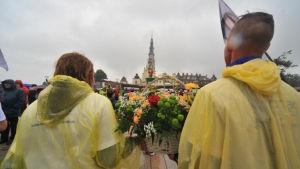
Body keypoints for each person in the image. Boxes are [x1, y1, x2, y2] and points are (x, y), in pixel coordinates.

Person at [178, 12, 300, 169]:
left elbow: (195, 157)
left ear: (230, 42)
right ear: (267, 46)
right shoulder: (293, 96)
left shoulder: (211, 95)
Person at [1, 52, 140, 169]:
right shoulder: (99, 104)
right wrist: (134, 141)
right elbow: (108, 159)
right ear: (89, 76)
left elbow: (15, 160)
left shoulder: (30, 111)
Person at [0, 79, 25, 145]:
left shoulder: (19, 91)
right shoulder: (2, 90)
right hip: (4, 111)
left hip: (14, 111)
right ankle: (4, 138)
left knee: (14, 126)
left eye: (8, 83)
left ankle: (12, 138)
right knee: (5, 125)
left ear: (12, 84)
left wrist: (14, 108)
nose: (6, 84)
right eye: (5, 83)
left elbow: (21, 100)